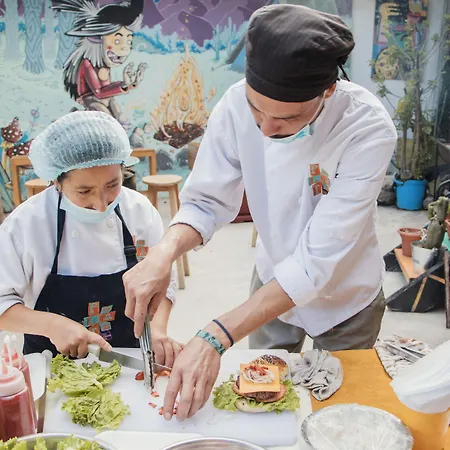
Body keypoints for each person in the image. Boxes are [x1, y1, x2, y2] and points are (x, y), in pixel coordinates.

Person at [123, 5, 398, 421]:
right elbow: (206, 201)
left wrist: (216, 335)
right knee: (260, 398)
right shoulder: (234, 105)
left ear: (328, 91)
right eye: (257, 111)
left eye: (287, 118)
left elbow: (317, 262)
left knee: (340, 412)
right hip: (272, 279)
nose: (266, 129)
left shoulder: (367, 128)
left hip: (345, 295)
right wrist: (162, 256)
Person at [0, 111, 181, 365]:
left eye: (112, 185)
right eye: (84, 191)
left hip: (130, 362)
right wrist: (52, 325)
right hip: (51, 366)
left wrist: (158, 330)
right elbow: (3, 304)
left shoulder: (139, 211)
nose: (101, 204)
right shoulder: (26, 224)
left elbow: (163, 279)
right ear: (57, 182)